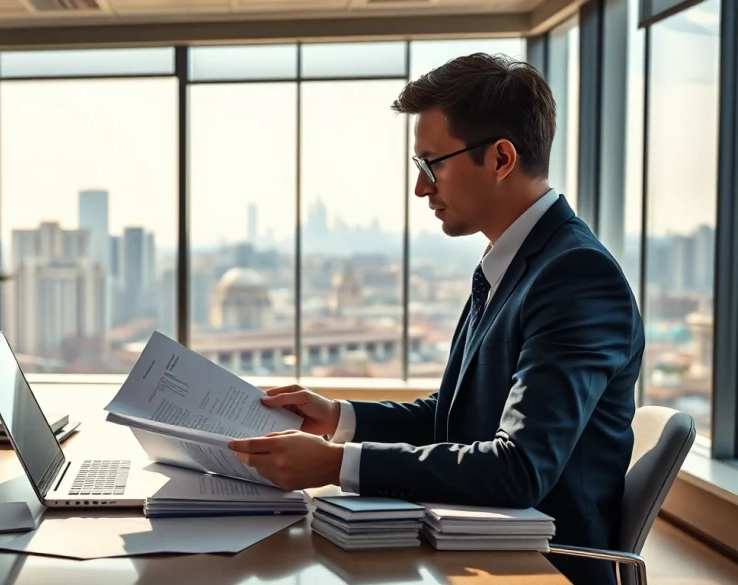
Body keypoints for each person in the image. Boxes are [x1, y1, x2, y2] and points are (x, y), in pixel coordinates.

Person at [227, 52, 643, 585]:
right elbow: (454, 417)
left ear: (501, 158)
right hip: (477, 545)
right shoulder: (515, 263)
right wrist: (336, 417)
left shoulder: (576, 276)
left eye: (432, 165)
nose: (421, 188)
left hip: (539, 568)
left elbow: (520, 469)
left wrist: (335, 464)